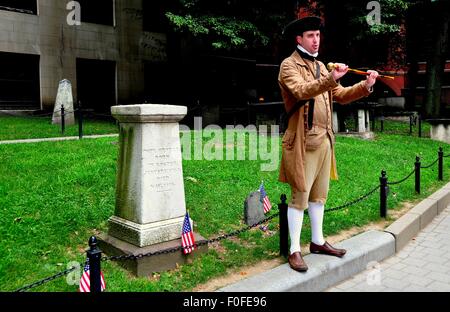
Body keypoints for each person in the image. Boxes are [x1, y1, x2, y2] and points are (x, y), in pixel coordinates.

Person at [278, 16, 379, 272]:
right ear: (299, 39)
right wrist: (331, 78)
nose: (315, 40)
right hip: (302, 142)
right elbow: (301, 91)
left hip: (324, 140)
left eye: (318, 36)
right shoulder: (288, 65)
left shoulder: (322, 66)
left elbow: (340, 95)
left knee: (318, 196)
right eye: (310, 36)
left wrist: (364, 86)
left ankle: (318, 241)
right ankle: (294, 250)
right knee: (300, 195)